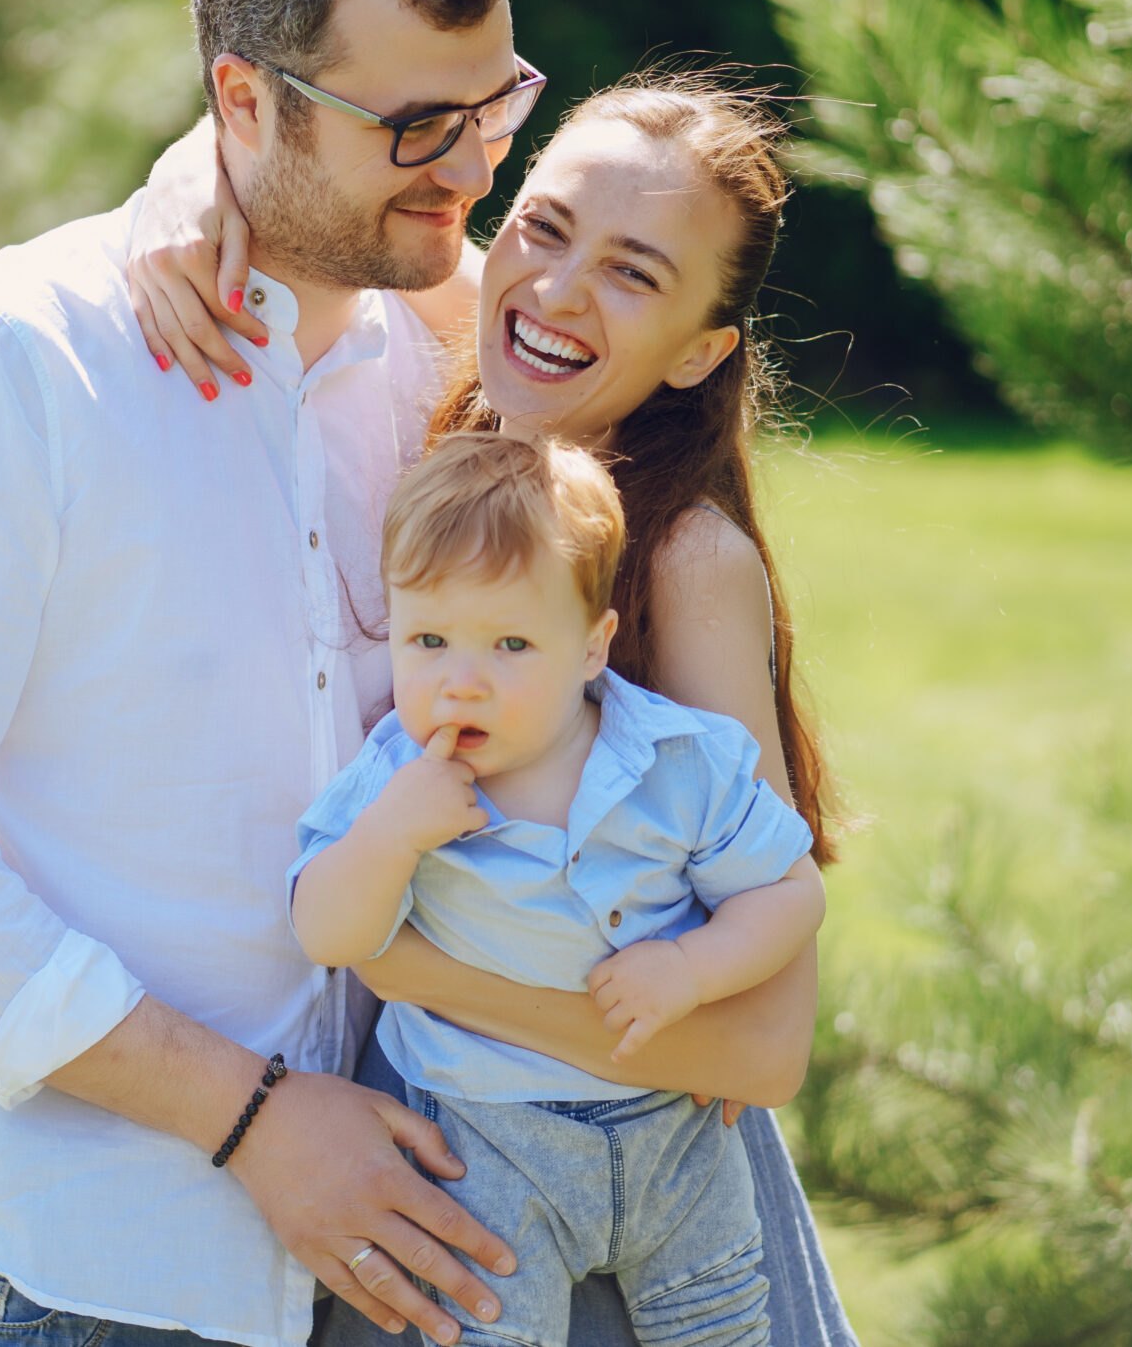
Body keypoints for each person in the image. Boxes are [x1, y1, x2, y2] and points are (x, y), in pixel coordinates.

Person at [0, 0, 834, 1347]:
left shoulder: (443, 383)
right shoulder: (18, 364)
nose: (471, 172)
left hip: (389, 1264)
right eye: (417, 125)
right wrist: (253, 1116)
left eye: (492, 110)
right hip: (56, 1270)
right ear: (243, 100)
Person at [125, 71, 853, 1347]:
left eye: (633, 273)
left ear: (699, 351)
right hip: (451, 1172)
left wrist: (416, 974)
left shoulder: (682, 561)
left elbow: (763, 1049)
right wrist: (182, 191)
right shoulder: (488, 401)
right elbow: (312, 161)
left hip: (625, 1221)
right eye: (545, 226)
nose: (559, 290)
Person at [291, 434, 823, 1347]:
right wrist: (389, 835)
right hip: (485, 1144)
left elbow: (790, 893)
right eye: (429, 640)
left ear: (591, 646)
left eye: (511, 643)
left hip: (673, 1134)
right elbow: (325, 931)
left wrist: (692, 968)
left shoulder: (673, 759)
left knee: (725, 1327)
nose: (463, 680)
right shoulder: (396, 778)